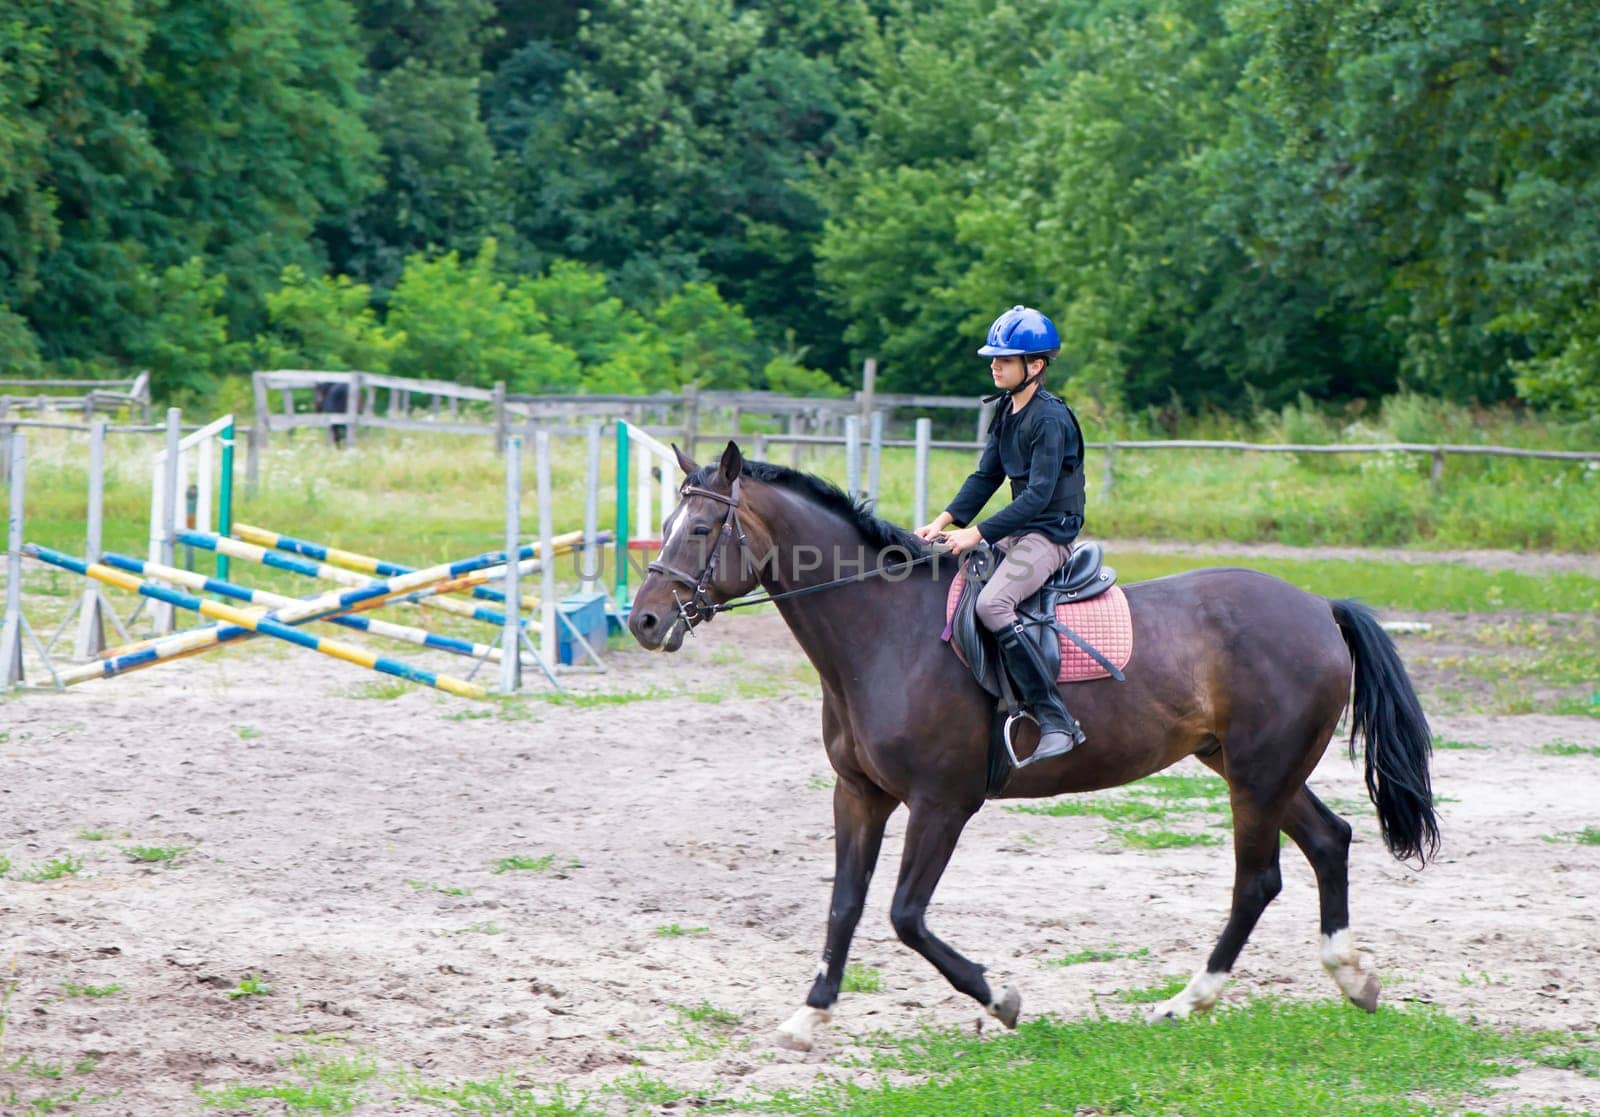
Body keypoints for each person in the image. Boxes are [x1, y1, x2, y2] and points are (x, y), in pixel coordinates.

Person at [915, 305, 1088, 760]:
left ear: (1036, 366)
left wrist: (979, 534)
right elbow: (986, 476)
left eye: (1005, 359)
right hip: (1022, 528)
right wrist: (945, 520)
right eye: (994, 358)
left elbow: (1038, 497)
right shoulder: (1009, 411)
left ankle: (1054, 718)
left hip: (1050, 534)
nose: (994, 365)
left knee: (994, 604)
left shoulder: (1050, 420)